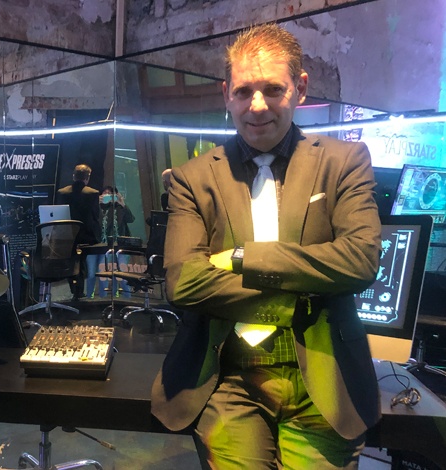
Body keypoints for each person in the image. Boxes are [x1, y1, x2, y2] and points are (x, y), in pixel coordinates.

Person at [151, 24, 382, 469]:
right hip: (228, 376)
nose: (257, 105)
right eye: (243, 91)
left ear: (300, 88)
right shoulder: (192, 179)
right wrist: (300, 296)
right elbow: (184, 282)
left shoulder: (344, 163)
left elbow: (359, 260)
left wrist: (243, 258)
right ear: (226, 94)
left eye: (273, 89)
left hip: (326, 375)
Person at [56, 164, 101, 298]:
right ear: (87, 177)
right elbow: (95, 215)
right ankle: (79, 291)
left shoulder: (62, 192)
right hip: (86, 236)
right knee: (82, 262)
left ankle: (75, 290)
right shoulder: (93, 193)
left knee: (73, 261)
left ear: (74, 176)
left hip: (67, 235)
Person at [97, 186, 135, 298]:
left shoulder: (119, 207)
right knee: (103, 273)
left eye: (110, 193)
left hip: (121, 245)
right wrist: (96, 204)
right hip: (105, 245)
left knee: (122, 274)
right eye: (105, 193)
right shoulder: (99, 208)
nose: (107, 195)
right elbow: (94, 222)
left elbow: (131, 219)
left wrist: (122, 203)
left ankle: (127, 298)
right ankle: (103, 298)